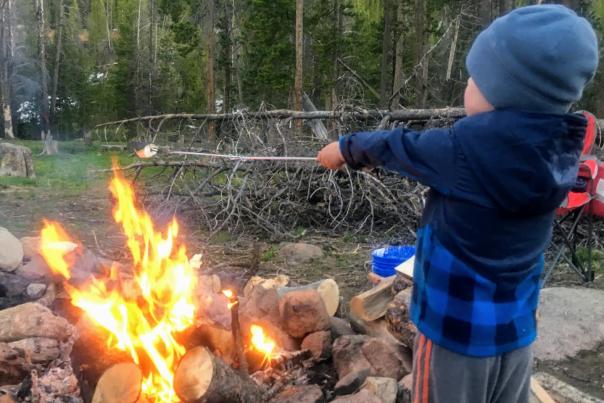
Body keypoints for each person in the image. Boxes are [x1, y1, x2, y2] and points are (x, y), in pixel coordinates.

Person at [317, 5, 599, 403]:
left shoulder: (465, 149)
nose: (467, 84)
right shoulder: (560, 152)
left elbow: (398, 145)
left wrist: (344, 149)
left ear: (505, 93)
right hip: (514, 331)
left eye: (475, 77)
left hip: (455, 331)